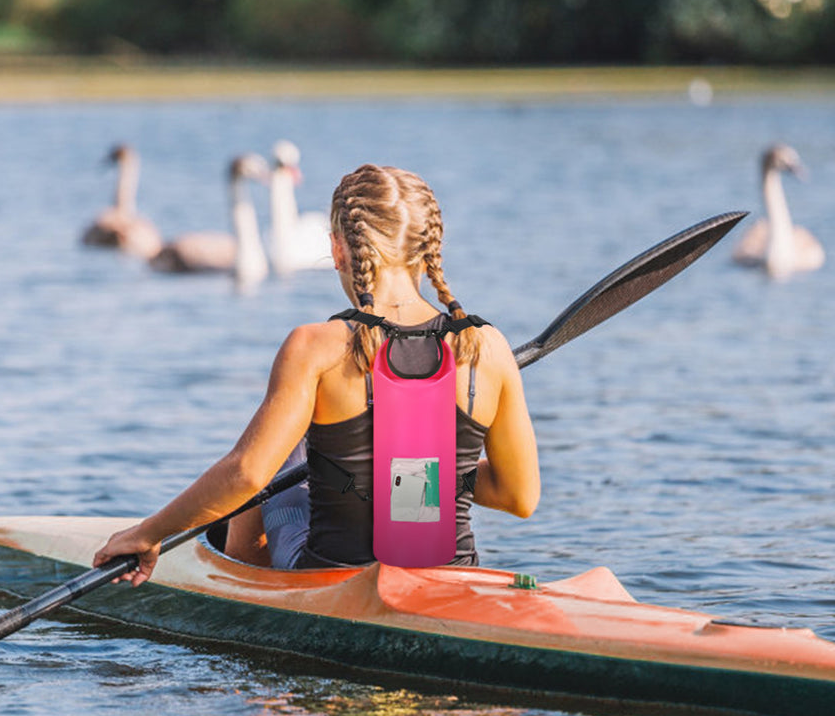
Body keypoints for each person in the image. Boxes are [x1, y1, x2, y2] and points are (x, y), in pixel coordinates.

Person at [93, 164, 540, 584]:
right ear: (430, 250)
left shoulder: (314, 347)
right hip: (452, 576)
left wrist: (148, 534)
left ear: (337, 249)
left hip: (331, 575)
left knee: (282, 449)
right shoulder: (487, 345)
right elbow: (518, 496)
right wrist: (430, 472)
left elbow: (247, 474)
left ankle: (241, 575)